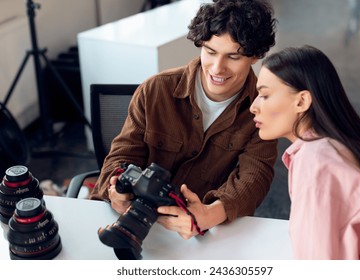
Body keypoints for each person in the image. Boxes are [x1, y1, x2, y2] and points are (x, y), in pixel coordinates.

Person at [90, 0, 278, 240]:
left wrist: (209, 214)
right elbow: (121, 155)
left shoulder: (263, 109)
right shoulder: (156, 89)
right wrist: (117, 189)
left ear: (256, 56)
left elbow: (254, 180)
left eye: (233, 57)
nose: (217, 68)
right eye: (210, 52)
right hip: (135, 221)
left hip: (202, 233)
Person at [250, 45, 360, 259]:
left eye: (265, 95)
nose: (254, 106)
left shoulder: (316, 166)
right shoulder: (344, 143)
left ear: (302, 101)